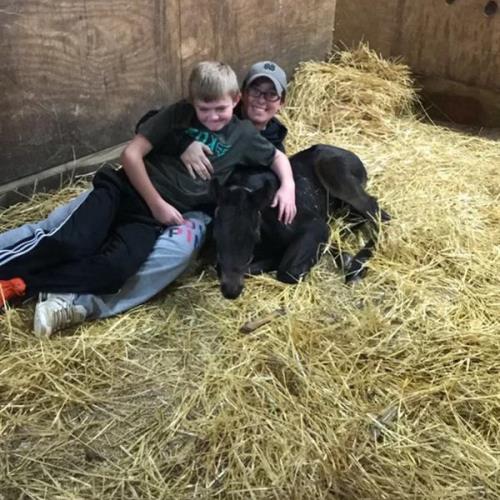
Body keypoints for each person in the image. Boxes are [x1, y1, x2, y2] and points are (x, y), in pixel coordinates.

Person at [0, 61, 293, 336]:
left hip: (160, 215)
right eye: (257, 91)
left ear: (280, 101)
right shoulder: (187, 114)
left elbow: (276, 158)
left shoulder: (252, 137)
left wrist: (287, 186)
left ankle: (28, 286)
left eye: (272, 95)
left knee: (117, 267)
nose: (262, 100)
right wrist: (182, 143)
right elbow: (141, 139)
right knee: (71, 238)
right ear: (243, 95)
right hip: (127, 189)